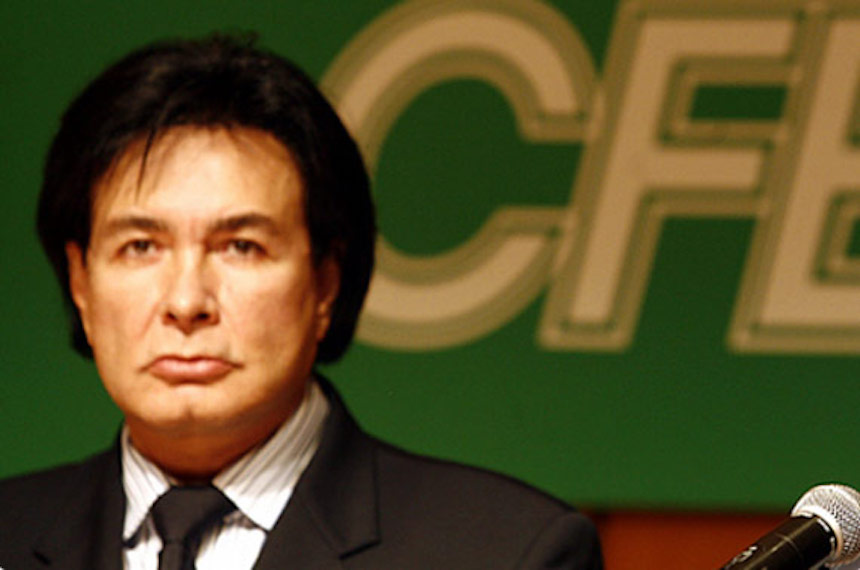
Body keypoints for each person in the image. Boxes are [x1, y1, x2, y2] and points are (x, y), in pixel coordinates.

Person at [0, 35, 602, 569]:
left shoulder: (506, 551)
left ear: (326, 283)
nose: (186, 302)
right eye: (140, 247)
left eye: (241, 246)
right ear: (80, 282)